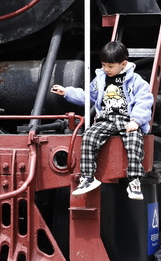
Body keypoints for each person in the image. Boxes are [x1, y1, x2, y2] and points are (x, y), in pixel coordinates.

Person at [51, 41, 153, 200]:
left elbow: (144, 101)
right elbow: (88, 96)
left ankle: (134, 181)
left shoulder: (136, 81)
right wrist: (67, 92)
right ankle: (88, 178)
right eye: (104, 65)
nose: (106, 69)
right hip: (105, 119)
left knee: (134, 142)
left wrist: (137, 121)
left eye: (110, 66)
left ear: (123, 64)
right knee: (89, 137)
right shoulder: (100, 79)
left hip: (127, 119)